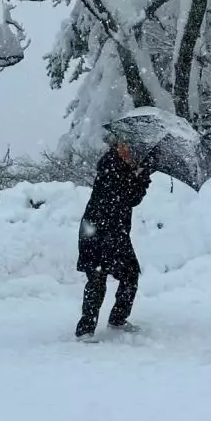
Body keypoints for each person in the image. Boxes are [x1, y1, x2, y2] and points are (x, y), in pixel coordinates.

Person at [75, 142, 152, 339]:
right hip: (96, 232)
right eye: (124, 146)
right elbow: (128, 197)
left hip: (115, 233)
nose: (128, 151)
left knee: (130, 274)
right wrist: (141, 176)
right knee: (97, 279)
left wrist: (141, 175)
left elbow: (131, 197)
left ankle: (117, 319)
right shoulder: (110, 166)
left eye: (131, 148)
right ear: (116, 147)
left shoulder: (124, 168)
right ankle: (85, 330)